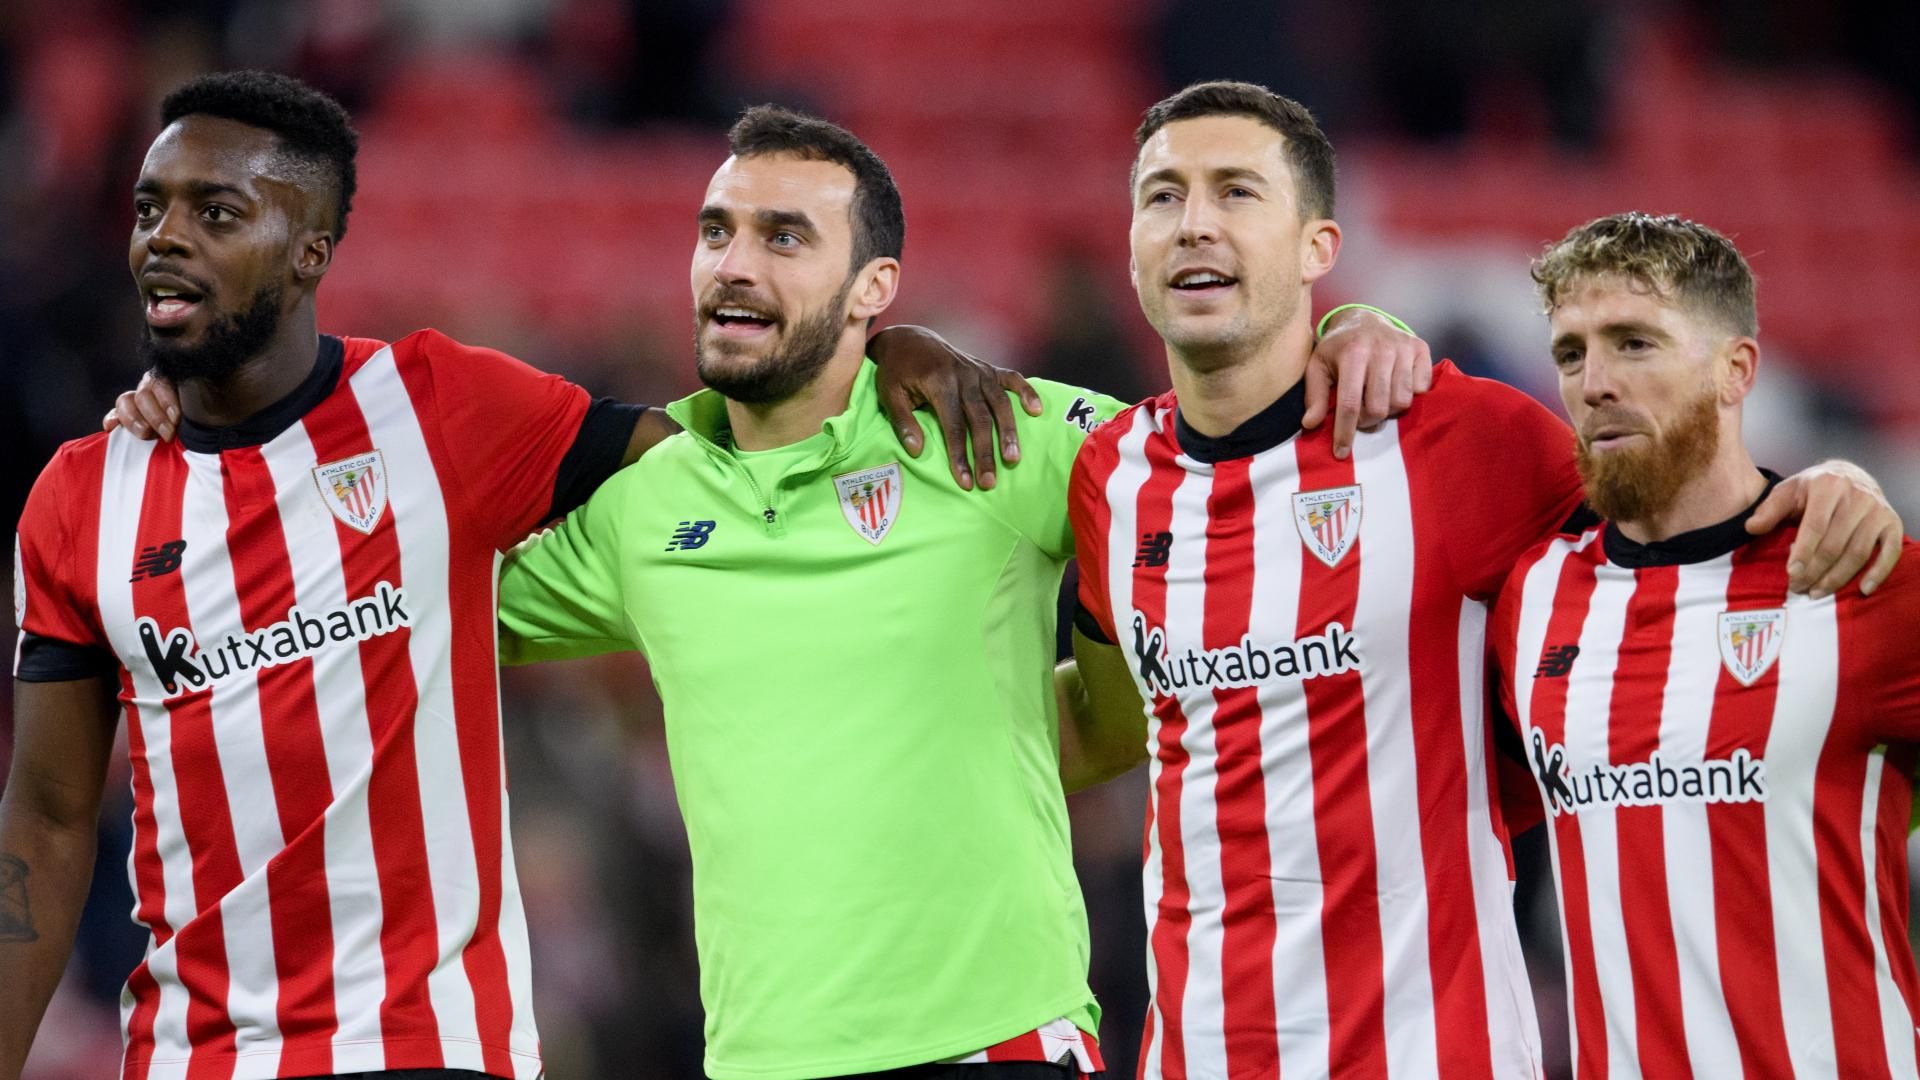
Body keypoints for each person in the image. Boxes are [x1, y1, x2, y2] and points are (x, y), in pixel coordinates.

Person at [0, 71, 1049, 1080]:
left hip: (430, 1048)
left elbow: (721, 451)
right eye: (149, 209)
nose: (164, 237)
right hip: (195, 1056)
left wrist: (871, 357)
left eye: (216, 214)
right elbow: (47, 818)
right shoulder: (80, 498)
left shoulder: (435, 407)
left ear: (310, 250)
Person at [488, 102, 1430, 1079]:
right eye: (716, 231)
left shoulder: (987, 430)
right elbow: (418, 605)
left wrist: (1360, 325)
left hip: (997, 1045)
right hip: (759, 1060)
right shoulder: (643, 508)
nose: (735, 263)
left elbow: (1234, 458)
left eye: (785, 237)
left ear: (872, 288)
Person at [1062, 81, 1903, 1079]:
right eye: (1162, 196)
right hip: (1190, 1056)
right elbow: (1123, 727)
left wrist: (1829, 483)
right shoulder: (1106, 477)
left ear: (1318, 247)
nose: (1194, 222)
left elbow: (1679, 508)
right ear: (1130, 243)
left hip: (1436, 1052)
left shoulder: (1462, 441)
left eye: (1236, 192)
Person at [1491, 213, 1917, 1078]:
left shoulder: (1864, 578)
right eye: (1571, 354)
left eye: (1634, 343)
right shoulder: (1529, 599)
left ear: (1737, 370)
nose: (1595, 382)